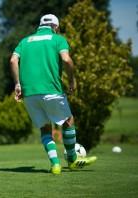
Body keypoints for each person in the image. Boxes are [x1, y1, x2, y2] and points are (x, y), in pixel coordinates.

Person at [10, 14, 97, 174]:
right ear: (55, 27)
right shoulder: (58, 39)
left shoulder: (25, 41)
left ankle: (55, 165)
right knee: (68, 120)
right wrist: (72, 81)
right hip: (51, 90)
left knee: (45, 128)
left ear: (40, 26)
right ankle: (72, 159)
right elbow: (67, 60)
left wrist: (17, 84)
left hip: (29, 94)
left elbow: (13, 60)